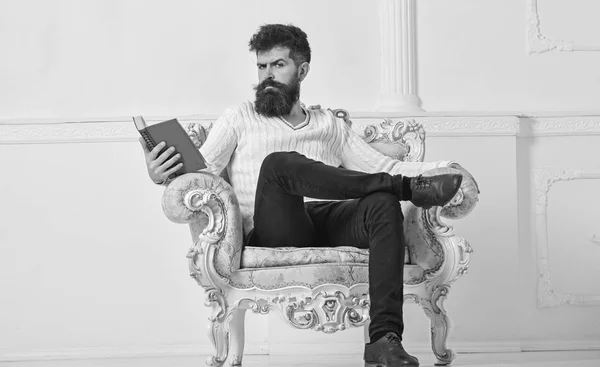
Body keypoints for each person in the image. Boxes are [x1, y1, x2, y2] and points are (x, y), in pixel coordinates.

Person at [141, 24, 468, 367]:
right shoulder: (239, 117)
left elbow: (381, 164)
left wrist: (449, 168)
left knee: (382, 202)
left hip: (329, 216)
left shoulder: (328, 123)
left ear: (303, 70)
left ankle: (384, 341)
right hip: (276, 226)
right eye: (261, 66)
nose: (267, 75)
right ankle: (403, 189)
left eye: (278, 65)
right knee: (280, 163)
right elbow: (204, 171)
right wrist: (163, 174)